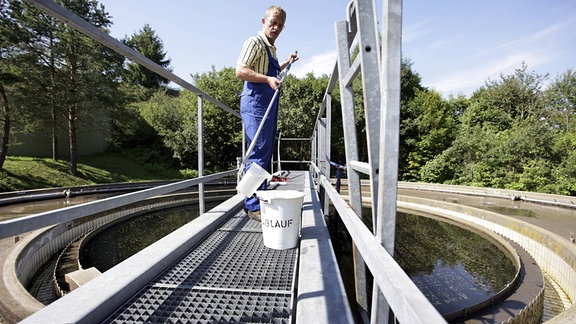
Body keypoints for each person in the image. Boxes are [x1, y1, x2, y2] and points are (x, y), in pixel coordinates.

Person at [236, 5, 298, 221]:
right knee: (257, 152)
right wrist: (268, 79)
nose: (276, 27)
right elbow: (241, 70)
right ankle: (252, 206)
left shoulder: (271, 49)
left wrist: (286, 63)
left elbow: (271, 71)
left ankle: (257, 200)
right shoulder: (254, 42)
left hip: (268, 103)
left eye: (280, 25)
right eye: (273, 22)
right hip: (255, 102)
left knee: (265, 153)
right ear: (263, 21)